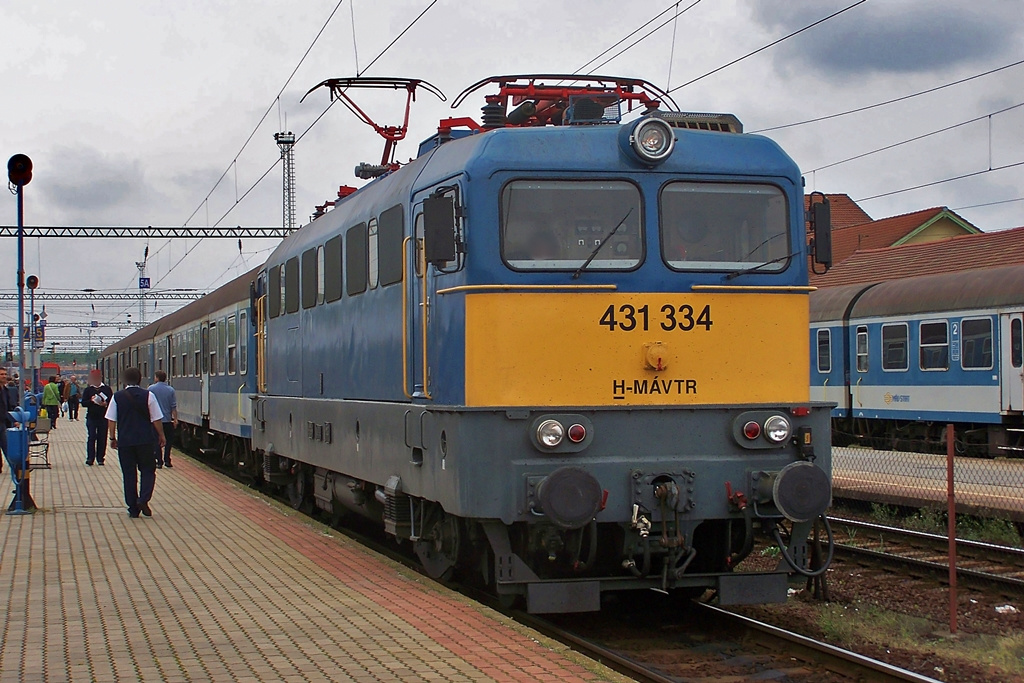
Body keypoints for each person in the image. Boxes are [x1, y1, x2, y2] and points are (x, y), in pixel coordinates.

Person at [106, 367, 165, 518]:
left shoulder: (117, 397)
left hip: (125, 442)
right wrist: (161, 435)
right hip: (145, 440)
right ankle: (143, 498)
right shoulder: (148, 395)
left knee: (129, 474)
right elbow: (156, 418)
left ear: (124, 380)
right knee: (148, 470)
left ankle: (133, 508)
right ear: (140, 379)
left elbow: (111, 420)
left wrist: (112, 438)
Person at [82, 369, 113, 466]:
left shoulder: (107, 389)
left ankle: (100, 458)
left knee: (102, 437)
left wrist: (105, 404)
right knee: (91, 437)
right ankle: (90, 458)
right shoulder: (88, 390)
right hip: (91, 417)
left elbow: (112, 402)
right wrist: (91, 401)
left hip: (103, 417)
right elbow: (83, 403)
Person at [148, 371, 177, 468]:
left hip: (155, 421)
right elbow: (173, 406)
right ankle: (167, 460)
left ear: (156, 378)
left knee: (156, 441)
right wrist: (175, 419)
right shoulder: (171, 390)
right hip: (167, 420)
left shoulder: (151, 389)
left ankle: (159, 461)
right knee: (168, 441)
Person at [0, 367, 12, 474]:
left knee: (6, 445)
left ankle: (14, 466)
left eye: (4, 374)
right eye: (1, 374)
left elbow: (8, 407)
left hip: (3, 422)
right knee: (5, 445)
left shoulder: (5, 390)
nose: (4, 376)